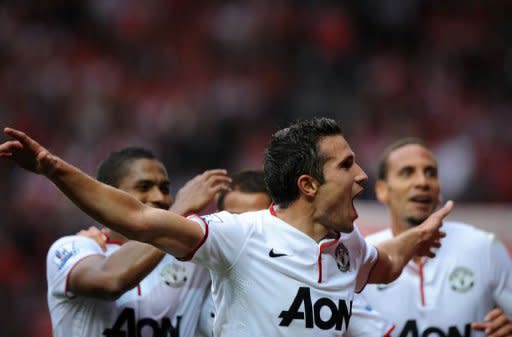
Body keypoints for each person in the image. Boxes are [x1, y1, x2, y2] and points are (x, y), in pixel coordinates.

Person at [0, 117, 453, 337]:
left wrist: (416, 236)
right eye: (348, 165)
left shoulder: (348, 245)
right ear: (308, 184)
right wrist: (53, 168)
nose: (361, 178)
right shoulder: (240, 236)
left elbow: (385, 261)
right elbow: (138, 221)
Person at [45, 146, 231, 337]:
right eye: (144, 187)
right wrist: (179, 209)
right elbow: (110, 282)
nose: (159, 197)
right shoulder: (71, 249)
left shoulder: (191, 257)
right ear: (108, 196)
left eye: (165, 188)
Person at [199, 169, 393, 337]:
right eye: (237, 219)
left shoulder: (321, 285)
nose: (242, 233)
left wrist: (419, 235)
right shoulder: (192, 277)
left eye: (255, 220)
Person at [361, 138, 512, 337]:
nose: (422, 182)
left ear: (438, 190)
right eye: (407, 172)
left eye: (430, 173)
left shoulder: (484, 247)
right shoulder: (363, 258)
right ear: (381, 190)